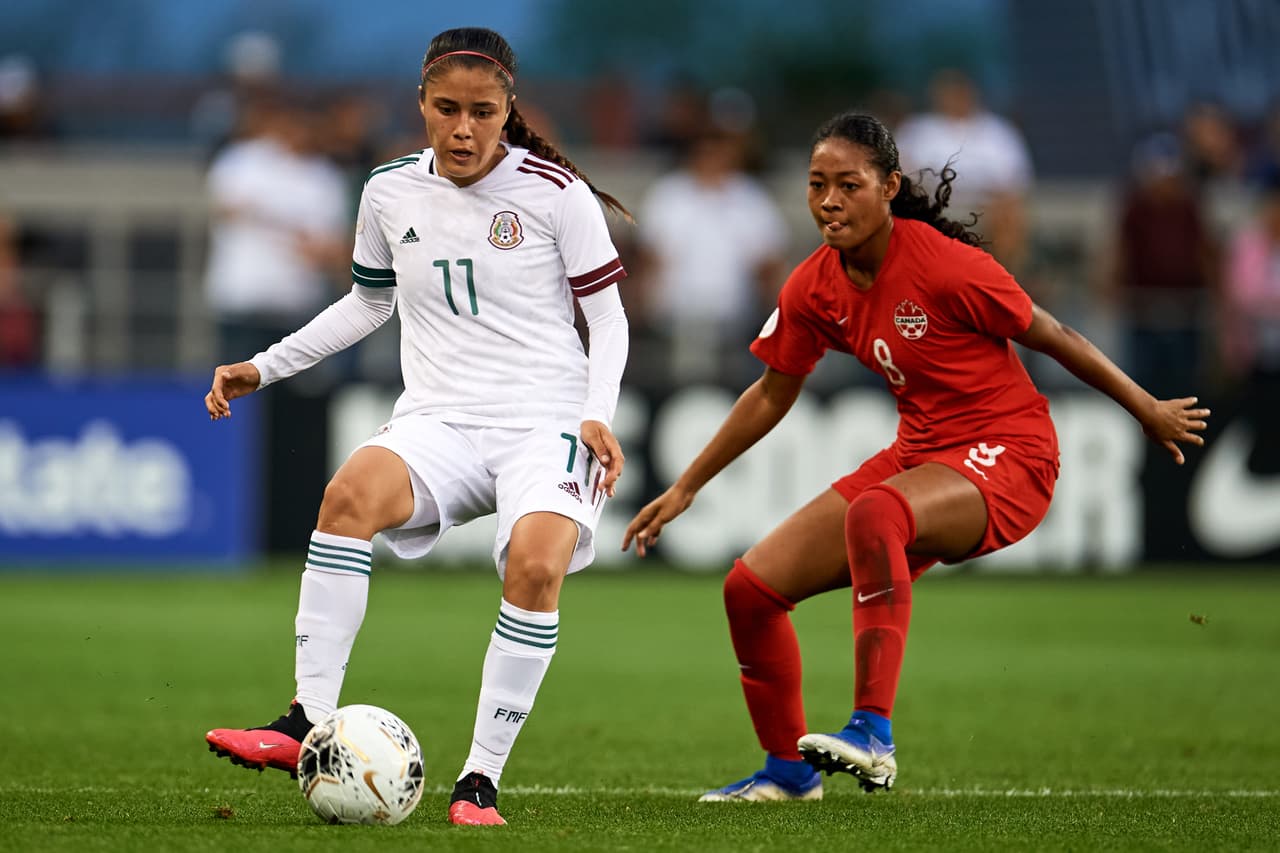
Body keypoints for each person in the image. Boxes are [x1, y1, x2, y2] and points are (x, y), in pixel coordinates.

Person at [622, 112, 1208, 801]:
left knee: (877, 512)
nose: (829, 201)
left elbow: (1055, 334)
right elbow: (772, 392)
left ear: (889, 187)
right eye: (816, 185)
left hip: (1012, 456)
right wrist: (688, 485)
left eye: (848, 185)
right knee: (749, 592)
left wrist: (1146, 408)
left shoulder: (945, 265)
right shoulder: (814, 284)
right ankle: (788, 772)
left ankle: (873, 732)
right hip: (922, 455)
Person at [202, 27, 631, 827]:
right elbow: (368, 303)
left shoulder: (555, 193)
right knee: (347, 496)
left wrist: (595, 415)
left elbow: (608, 319)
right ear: (422, 106)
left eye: (482, 113)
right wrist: (263, 366)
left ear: (508, 111)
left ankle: (479, 779)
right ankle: (304, 719)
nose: (464, 129)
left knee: (537, 565)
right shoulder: (388, 190)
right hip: (440, 417)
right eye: (447, 110)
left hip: (545, 422)